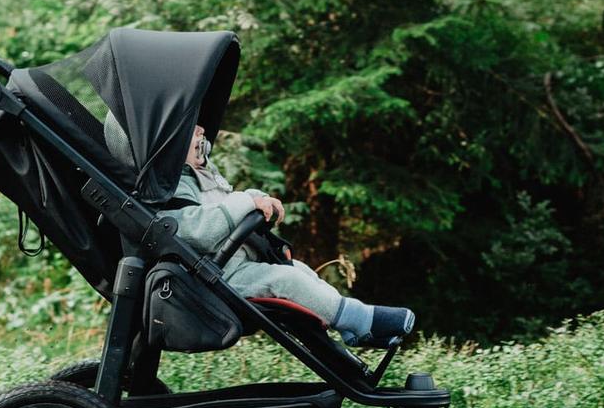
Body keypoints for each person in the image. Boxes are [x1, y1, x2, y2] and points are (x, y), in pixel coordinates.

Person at [163, 125, 415, 345]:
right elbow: (196, 230)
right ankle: (360, 319)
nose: (201, 130)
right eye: (192, 129)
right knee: (286, 280)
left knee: (299, 270)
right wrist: (247, 201)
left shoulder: (203, 175)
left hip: (236, 268)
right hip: (215, 280)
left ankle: (352, 328)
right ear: (172, 143)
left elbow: (229, 203)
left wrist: (258, 199)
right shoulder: (173, 185)